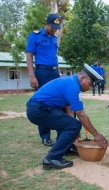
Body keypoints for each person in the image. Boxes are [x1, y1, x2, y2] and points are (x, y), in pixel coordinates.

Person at [26, 64, 109, 170]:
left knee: (73, 125)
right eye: (89, 84)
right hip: (38, 110)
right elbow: (81, 114)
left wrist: (73, 128)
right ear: (82, 78)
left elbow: (68, 107)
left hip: (40, 109)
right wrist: (96, 134)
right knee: (74, 125)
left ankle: (67, 148)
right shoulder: (73, 86)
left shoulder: (71, 82)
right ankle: (52, 158)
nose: (89, 88)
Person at [26, 14, 62, 147]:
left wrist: (59, 73)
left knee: (59, 101)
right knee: (42, 103)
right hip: (42, 72)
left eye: (56, 28)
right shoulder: (35, 36)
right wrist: (32, 75)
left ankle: (61, 134)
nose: (54, 30)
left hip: (54, 72)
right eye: (52, 27)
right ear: (46, 23)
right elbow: (29, 56)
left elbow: (55, 58)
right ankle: (45, 136)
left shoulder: (54, 38)